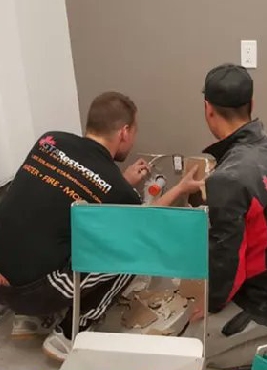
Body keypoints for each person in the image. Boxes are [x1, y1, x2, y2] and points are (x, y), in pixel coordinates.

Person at [0, 91, 203, 361]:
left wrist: (120, 182)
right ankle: (69, 334)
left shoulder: (49, 140)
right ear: (124, 131)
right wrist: (179, 188)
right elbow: (146, 222)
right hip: (33, 292)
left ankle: (32, 318)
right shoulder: (118, 190)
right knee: (132, 250)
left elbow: (72, 189)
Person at [188, 64, 267, 368]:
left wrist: (210, 304)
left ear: (208, 109)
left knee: (189, 347)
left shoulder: (229, 179)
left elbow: (227, 264)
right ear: (252, 104)